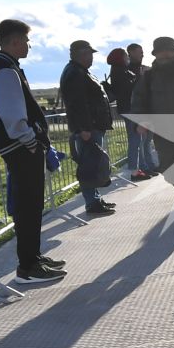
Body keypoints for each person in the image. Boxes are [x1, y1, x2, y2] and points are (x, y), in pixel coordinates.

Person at [0, 19, 64, 281]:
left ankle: (33, 257)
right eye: (27, 41)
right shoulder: (5, 71)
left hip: (24, 148)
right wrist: (30, 141)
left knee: (33, 205)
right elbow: (13, 115)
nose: (29, 46)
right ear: (15, 41)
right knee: (27, 207)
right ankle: (27, 267)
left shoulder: (10, 68)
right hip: (21, 149)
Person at [59, 39, 117, 217]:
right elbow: (77, 104)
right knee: (89, 166)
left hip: (93, 126)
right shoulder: (75, 73)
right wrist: (83, 128)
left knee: (93, 164)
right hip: (88, 128)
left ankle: (95, 199)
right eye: (88, 54)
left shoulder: (81, 72)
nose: (91, 58)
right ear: (80, 55)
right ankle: (91, 203)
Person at [131, 35, 174, 186]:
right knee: (170, 172)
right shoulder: (149, 76)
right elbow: (139, 99)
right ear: (155, 54)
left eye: (168, 50)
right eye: (160, 51)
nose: (164, 54)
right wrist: (141, 121)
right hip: (163, 132)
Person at [102, 47, 147, 181]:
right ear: (121, 58)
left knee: (135, 139)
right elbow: (129, 89)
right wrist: (140, 76)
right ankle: (134, 171)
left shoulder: (118, 71)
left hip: (127, 108)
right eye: (125, 56)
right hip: (129, 109)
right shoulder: (120, 72)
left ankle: (136, 169)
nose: (128, 58)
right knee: (134, 140)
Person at [124, 42, 156, 179]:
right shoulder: (128, 70)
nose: (142, 54)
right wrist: (142, 77)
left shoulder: (142, 68)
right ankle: (141, 169)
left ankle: (149, 166)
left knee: (147, 140)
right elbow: (133, 90)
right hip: (135, 111)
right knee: (139, 141)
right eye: (139, 51)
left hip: (147, 109)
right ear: (130, 53)